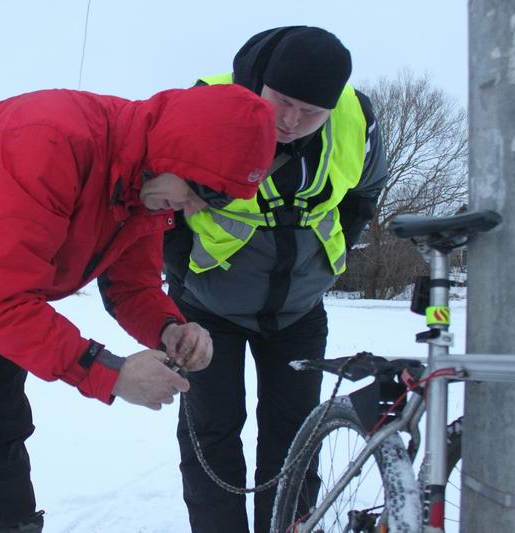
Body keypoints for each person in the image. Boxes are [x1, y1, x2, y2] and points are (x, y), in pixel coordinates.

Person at [0, 83, 276, 533]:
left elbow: (131, 287)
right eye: (201, 189)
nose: (193, 208)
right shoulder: (53, 141)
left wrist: (171, 329)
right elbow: (3, 303)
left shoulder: (147, 188)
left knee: (2, 425)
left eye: (215, 200)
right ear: (177, 153)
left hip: (4, 282)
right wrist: (112, 372)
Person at [163, 26, 390, 533]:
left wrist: (326, 259)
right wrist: (178, 267)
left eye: (310, 111)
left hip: (297, 312)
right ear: (261, 81)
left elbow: (365, 191)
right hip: (207, 306)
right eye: (281, 102)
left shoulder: (360, 121)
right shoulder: (206, 106)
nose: (291, 121)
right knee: (211, 436)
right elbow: (158, 199)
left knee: (294, 441)